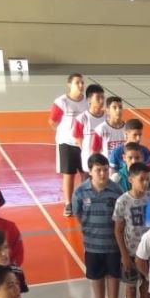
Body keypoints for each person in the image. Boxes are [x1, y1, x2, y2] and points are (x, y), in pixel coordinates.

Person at [72, 153, 123, 298]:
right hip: (92, 245)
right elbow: (78, 214)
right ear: (90, 172)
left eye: (105, 169)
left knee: (114, 276)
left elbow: (121, 216)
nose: (102, 173)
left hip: (113, 245)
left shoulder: (116, 190)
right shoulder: (80, 191)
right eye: (98, 170)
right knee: (96, 277)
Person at [113, 163, 150, 298]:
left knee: (146, 283)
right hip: (131, 252)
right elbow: (118, 230)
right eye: (141, 180)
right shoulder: (122, 201)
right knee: (130, 285)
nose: (145, 183)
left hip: (149, 253)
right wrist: (124, 255)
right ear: (131, 179)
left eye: (147, 180)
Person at [49, 73, 88, 216]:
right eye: (77, 82)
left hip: (83, 143)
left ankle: (84, 200)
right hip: (66, 143)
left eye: (82, 82)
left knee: (85, 173)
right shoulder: (61, 102)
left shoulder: (87, 102)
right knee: (69, 174)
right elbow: (53, 122)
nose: (81, 85)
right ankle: (68, 203)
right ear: (69, 84)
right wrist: (65, 133)